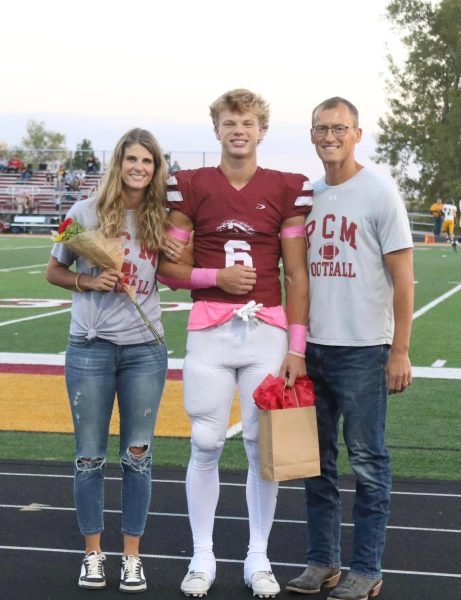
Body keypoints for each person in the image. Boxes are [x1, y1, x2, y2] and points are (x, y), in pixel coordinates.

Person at [157, 88, 312, 598]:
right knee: (205, 443)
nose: (239, 130)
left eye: (247, 122)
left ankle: (257, 557)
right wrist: (215, 276)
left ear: (261, 129)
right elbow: (168, 269)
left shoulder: (287, 188)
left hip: (266, 331)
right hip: (210, 328)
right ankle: (203, 555)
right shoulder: (191, 186)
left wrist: (297, 347)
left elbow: (296, 273)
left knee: (257, 445)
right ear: (217, 129)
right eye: (229, 122)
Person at [286, 97, 414, 600]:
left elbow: (404, 280)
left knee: (367, 462)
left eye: (339, 128)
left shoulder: (380, 193)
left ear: (358, 133)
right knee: (315, 464)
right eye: (321, 128)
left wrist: (399, 350)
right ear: (312, 135)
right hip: (313, 347)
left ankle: (367, 567)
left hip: (362, 349)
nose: (329, 136)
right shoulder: (308, 196)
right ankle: (323, 561)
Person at [46, 128, 169, 594]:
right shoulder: (82, 213)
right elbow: (53, 269)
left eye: (148, 161)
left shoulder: (162, 217)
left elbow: (177, 270)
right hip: (90, 348)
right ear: (118, 162)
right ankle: (93, 553)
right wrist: (87, 283)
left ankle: (131, 557)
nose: (139, 167)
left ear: (156, 169)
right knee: (89, 458)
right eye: (132, 159)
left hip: (145, 350)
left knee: (138, 458)